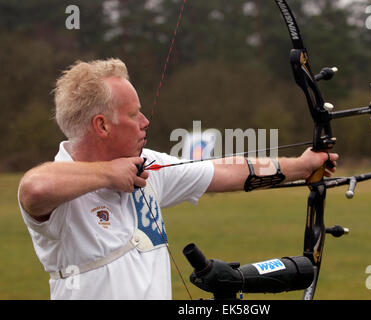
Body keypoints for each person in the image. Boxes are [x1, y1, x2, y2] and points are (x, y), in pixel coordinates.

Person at [18, 58, 338, 300]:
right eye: (133, 115)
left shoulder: (149, 165)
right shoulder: (58, 187)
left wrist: (300, 167)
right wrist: (107, 173)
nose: (145, 122)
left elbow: (225, 170)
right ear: (102, 126)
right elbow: (33, 187)